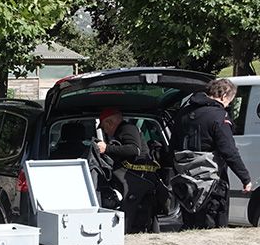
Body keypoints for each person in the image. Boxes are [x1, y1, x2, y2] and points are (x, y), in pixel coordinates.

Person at [171, 78, 253, 229]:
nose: (227, 105)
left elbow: (172, 146)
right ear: (224, 96)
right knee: (213, 223)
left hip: (186, 180)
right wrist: (245, 178)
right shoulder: (219, 116)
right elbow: (229, 151)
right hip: (211, 181)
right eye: (229, 101)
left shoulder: (183, 113)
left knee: (190, 224)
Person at [96, 108, 158, 233]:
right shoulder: (123, 130)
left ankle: (126, 231)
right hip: (134, 177)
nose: (105, 131)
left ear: (109, 123)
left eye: (104, 128)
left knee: (131, 211)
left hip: (138, 178)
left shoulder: (127, 128)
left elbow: (134, 150)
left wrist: (107, 148)